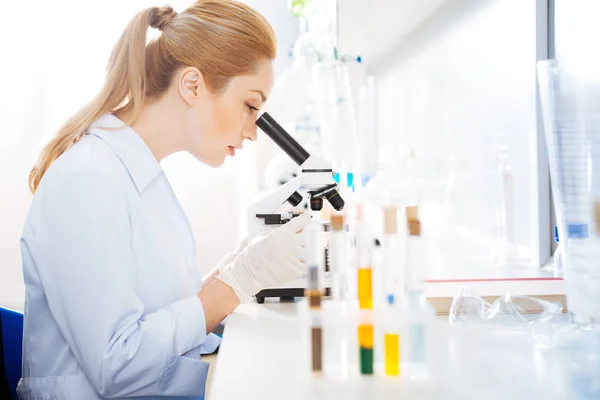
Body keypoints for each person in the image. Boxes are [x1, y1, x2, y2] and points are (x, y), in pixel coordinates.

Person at [18, 1, 310, 399]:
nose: (253, 132)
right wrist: (240, 281)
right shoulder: (87, 180)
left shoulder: (142, 178)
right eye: (250, 106)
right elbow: (116, 363)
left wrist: (241, 266)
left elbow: (161, 316)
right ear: (192, 85)